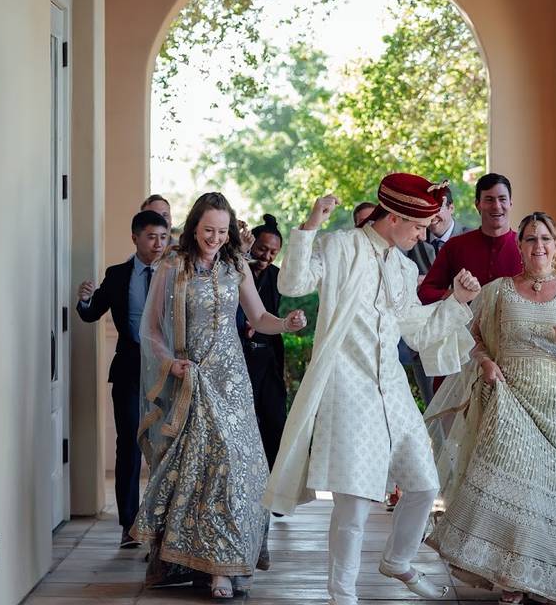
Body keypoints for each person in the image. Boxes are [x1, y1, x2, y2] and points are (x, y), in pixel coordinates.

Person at [263, 173, 482, 605]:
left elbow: (416, 330)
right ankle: (342, 594)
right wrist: (310, 227)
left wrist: (456, 300)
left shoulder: (403, 266)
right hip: (348, 388)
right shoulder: (341, 247)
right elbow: (293, 284)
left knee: (423, 483)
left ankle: (398, 559)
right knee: (355, 501)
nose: (422, 235)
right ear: (396, 217)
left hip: (393, 390)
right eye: (418, 227)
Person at [131, 193, 307, 599]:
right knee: (201, 468)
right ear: (194, 226)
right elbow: (152, 328)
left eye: (223, 231)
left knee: (238, 468)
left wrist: (287, 324)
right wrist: (168, 364)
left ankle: (224, 567)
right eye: (209, 230)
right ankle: (200, 564)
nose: (215, 237)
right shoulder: (172, 266)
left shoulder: (235, 265)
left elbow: (259, 317)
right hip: (190, 379)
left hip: (231, 380)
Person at [424, 211, 556, 605]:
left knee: (550, 490)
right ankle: (510, 577)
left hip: (555, 405)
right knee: (514, 486)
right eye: (531, 239)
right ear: (520, 246)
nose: (539, 246)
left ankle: (546, 576)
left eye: (546, 239)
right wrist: (485, 363)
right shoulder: (498, 290)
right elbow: (473, 337)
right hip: (507, 396)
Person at [76, 210, 169, 548]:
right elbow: (91, 313)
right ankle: (129, 525)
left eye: (163, 236)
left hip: (168, 370)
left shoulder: (176, 274)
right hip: (130, 368)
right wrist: (84, 299)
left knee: (166, 445)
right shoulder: (117, 274)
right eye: (150, 237)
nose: (158, 244)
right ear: (135, 238)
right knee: (129, 444)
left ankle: (163, 523)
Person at [403, 187, 468, 406]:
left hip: (462, 339)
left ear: (451, 207)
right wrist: (415, 280)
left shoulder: (469, 237)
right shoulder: (412, 239)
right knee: (434, 410)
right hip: (425, 339)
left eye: (438, 208)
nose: (433, 215)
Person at [417, 173, 522, 304]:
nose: (496, 206)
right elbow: (425, 293)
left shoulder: (527, 247)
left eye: (502, 199)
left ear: (510, 203)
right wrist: (455, 295)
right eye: (489, 199)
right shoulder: (454, 246)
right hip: (464, 324)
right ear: (477, 204)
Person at [235, 214, 287, 470]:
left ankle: (272, 482)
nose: (266, 256)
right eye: (262, 249)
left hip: (268, 357)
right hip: (239, 356)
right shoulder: (234, 270)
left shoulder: (279, 277)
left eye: (273, 252)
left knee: (275, 418)